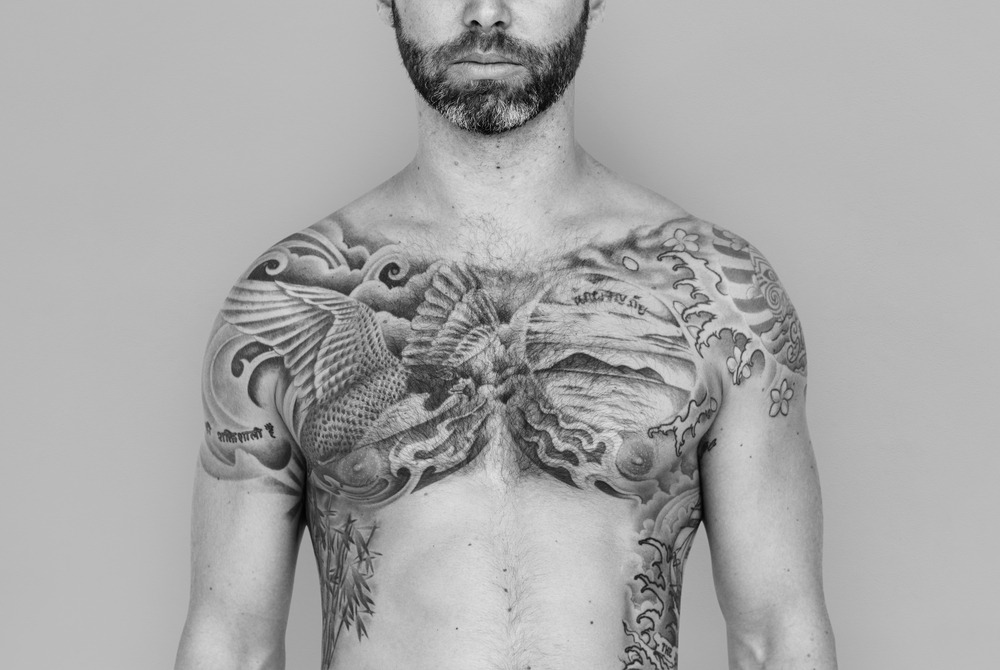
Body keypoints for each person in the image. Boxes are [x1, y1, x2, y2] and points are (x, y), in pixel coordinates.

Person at [175, 1, 837, 669]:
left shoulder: (720, 299)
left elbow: (776, 638)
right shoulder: (280, 299)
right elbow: (233, 645)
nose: (485, 12)